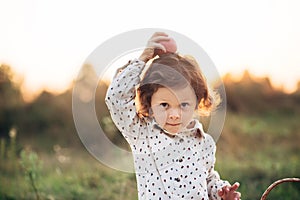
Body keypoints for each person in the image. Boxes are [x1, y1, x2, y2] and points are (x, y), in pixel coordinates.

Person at [105, 32, 241, 200]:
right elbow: (116, 98)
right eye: (164, 105)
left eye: (184, 105)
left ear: (197, 102)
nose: (175, 115)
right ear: (149, 103)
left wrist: (220, 192)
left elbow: (208, 179)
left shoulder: (204, 143)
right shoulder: (142, 133)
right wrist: (142, 60)